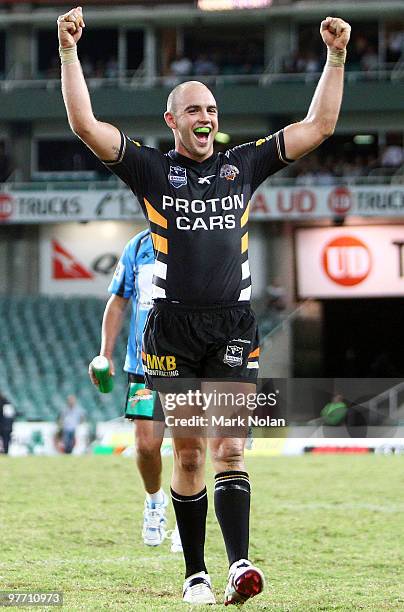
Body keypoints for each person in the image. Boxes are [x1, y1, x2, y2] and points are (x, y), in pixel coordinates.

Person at [58, 7, 350, 605]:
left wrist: (336, 57)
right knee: (187, 451)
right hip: (171, 332)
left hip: (233, 327)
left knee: (231, 448)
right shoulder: (152, 170)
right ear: (172, 120)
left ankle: (240, 565)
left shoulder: (242, 165)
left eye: (212, 110)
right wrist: (67, 51)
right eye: (194, 109)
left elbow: (318, 125)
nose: (207, 118)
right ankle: (196, 573)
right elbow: (86, 124)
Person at [88, 229, 182, 552]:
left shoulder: (194, 238)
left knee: (190, 448)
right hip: (145, 366)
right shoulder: (138, 246)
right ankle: (155, 501)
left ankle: (187, 518)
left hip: (188, 364)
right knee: (145, 446)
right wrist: (105, 353)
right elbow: (117, 304)